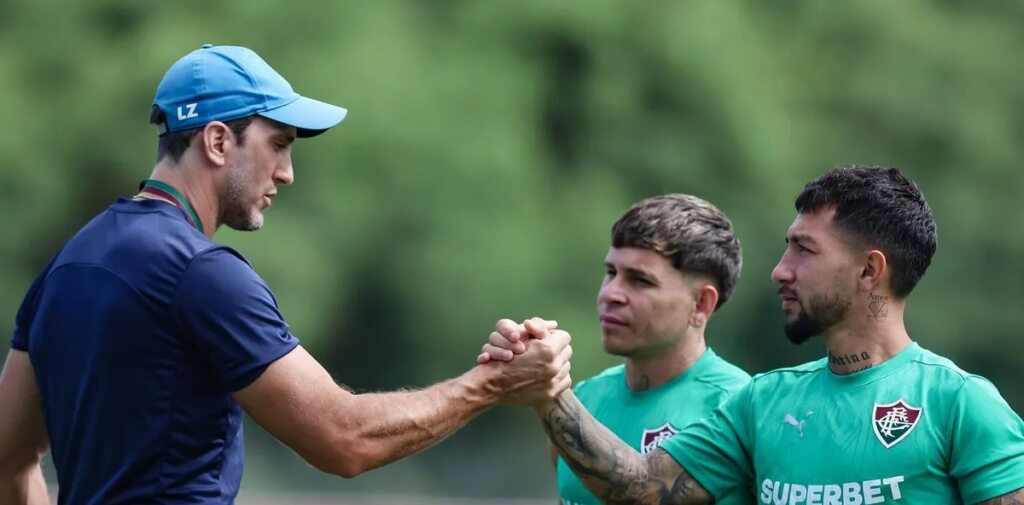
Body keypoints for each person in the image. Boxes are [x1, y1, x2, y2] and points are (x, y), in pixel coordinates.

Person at [0, 44, 573, 504]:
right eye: (277, 144)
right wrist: (490, 385)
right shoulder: (201, 273)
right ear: (217, 141)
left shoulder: (67, 264)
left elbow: (7, 456)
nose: (287, 172)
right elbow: (343, 439)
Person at [485, 166, 1024, 504]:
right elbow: (644, 489)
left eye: (804, 250)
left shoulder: (959, 404)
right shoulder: (761, 402)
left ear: (869, 270)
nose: (780, 271)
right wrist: (551, 393)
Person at [480, 194, 749, 505]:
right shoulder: (586, 397)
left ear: (701, 303)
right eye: (611, 273)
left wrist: (548, 390)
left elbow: (643, 495)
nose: (611, 293)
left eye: (641, 281)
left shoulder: (736, 406)